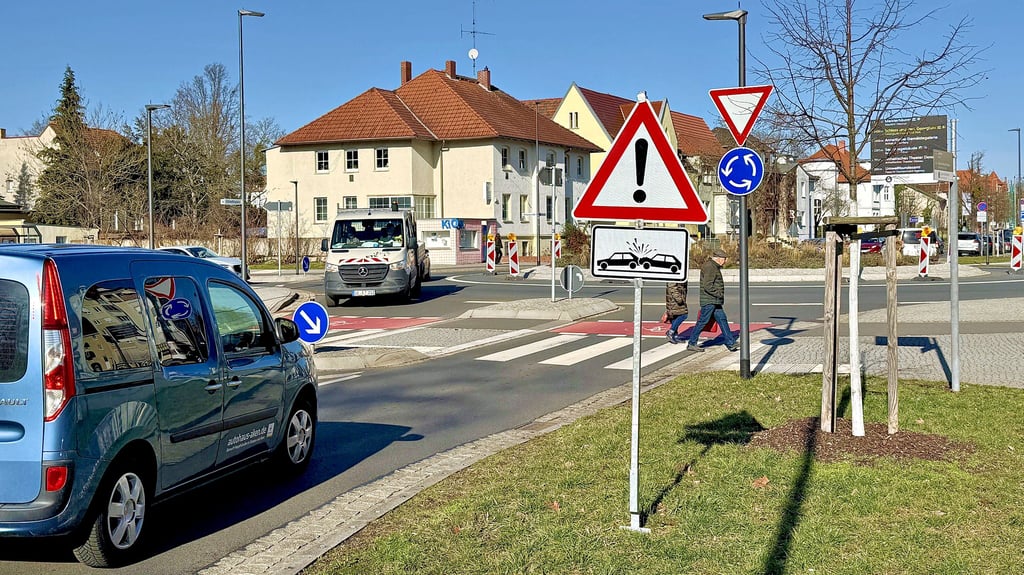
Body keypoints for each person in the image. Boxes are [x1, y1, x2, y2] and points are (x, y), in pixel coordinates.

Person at [686, 248, 739, 352]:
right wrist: (718, 294)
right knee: (702, 321)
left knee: (722, 319)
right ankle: (692, 343)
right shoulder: (710, 267)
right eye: (724, 259)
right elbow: (707, 285)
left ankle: (731, 342)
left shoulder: (713, 266)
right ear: (719, 259)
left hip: (714, 301)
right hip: (710, 300)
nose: (725, 261)